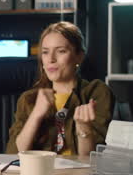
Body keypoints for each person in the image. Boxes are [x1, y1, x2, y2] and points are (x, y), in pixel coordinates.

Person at [6, 22, 114, 156]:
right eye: (45, 52)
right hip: (39, 173)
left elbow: (91, 161)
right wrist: (36, 115)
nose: (51, 59)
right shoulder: (28, 98)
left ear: (79, 56)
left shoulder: (96, 92)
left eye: (61, 51)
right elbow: (13, 154)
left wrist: (84, 128)